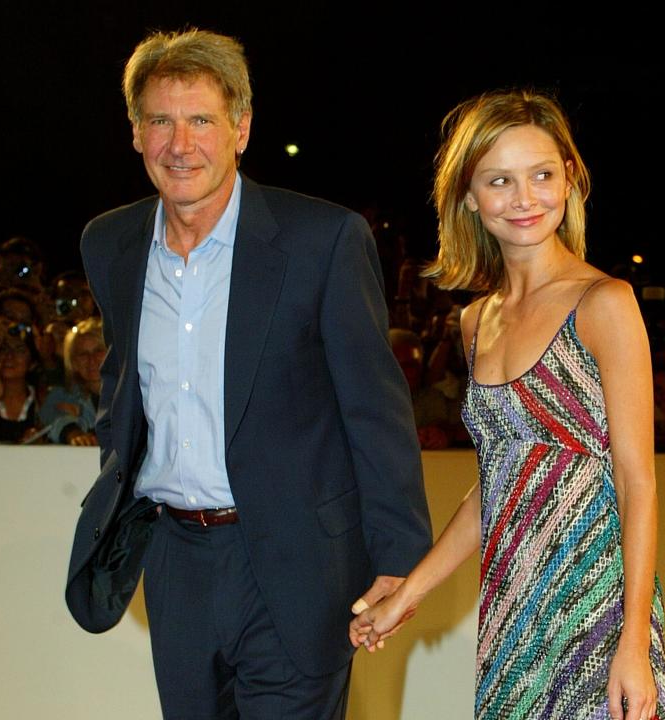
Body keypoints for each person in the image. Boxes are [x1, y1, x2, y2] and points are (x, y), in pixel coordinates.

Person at [64, 29, 432, 719]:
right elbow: (122, 384)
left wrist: (400, 556)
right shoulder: (108, 243)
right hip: (175, 560)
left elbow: (374, 410)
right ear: (136, 134)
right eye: (161, 122)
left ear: (241, 127)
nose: (181, 144)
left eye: (201, 119)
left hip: (299, 566)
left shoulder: (322, 240)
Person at [350, 89, 665, 720]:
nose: (525, 199)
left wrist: (634, 639)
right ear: (469, 194)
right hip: (512, 614)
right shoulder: (475, 323)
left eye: (542, 175)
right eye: (500, 181)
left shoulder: (604, 303)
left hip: (597, 609)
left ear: (570, 179)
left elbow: (638, 481)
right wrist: (406, 592)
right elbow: (499, 485)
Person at [39, 317, 105, 445]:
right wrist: (72, 432)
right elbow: (47, 417)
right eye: (83, 354)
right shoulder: (63, 394)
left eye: (98, 351)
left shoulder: (131, 394)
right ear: (73, 362)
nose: (91, 360)